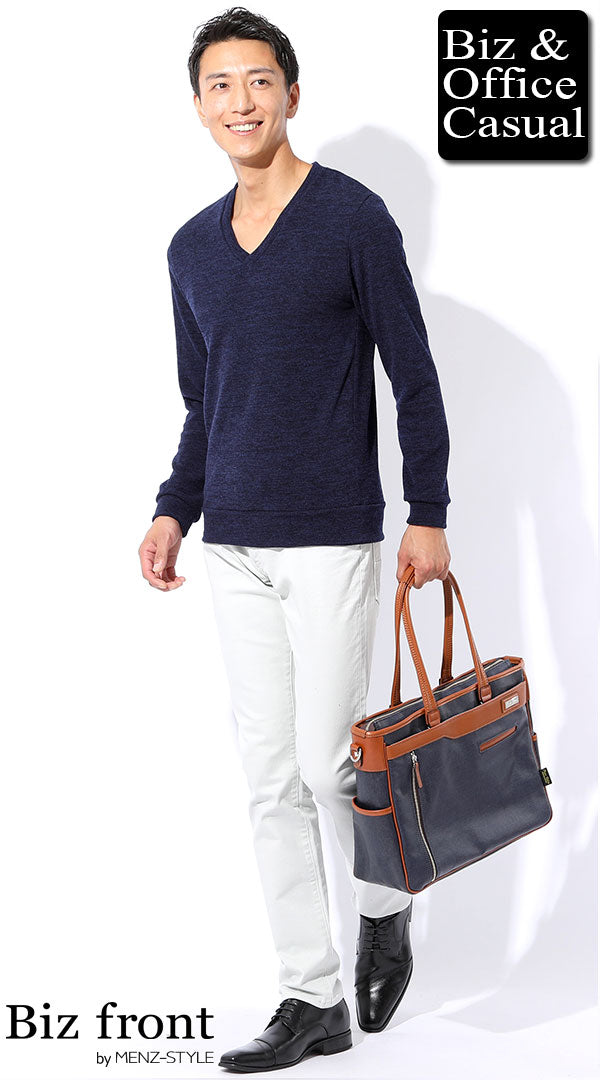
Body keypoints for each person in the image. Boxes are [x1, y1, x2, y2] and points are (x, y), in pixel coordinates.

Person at [138, 5, 452, 1072]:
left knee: (328, 768)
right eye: (219, 85)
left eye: (258, 80)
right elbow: (204, 401)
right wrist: (174, 506)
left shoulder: (352, 218)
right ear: (199, 106)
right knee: (269, 779)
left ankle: (383, 909)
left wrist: (428, 511)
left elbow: (414, 375)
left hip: (329, 537)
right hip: (231, 542)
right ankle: (309, 998)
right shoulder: (190, 247)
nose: (241, 101)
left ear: (292, 93)